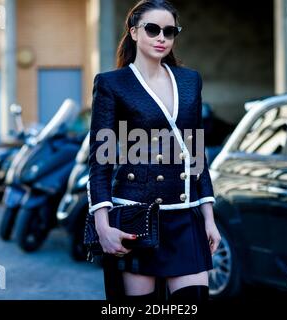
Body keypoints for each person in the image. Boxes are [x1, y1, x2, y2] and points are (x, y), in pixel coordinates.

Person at [87, 0, 221, 303]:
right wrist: (103, 225)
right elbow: (101, 159)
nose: (162, 37)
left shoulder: (189, 80)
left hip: (185, 215)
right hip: (135, 216)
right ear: (134, 32)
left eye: (169, 31)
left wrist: (209, 217)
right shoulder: (112, 83)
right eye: (152, 29)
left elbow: (195, 149)